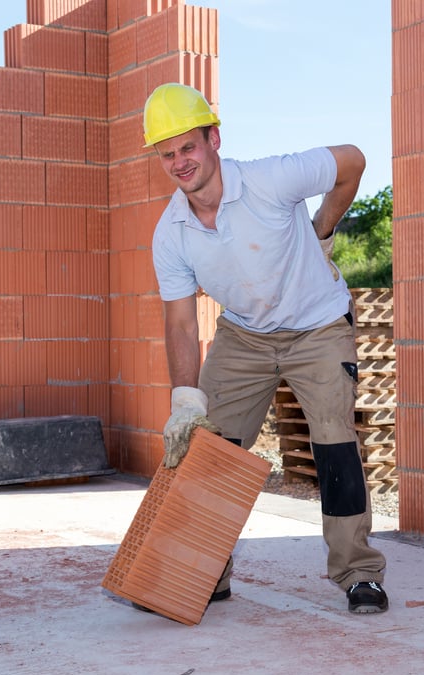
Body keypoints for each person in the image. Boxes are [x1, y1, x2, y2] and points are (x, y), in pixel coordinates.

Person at [142, 83, 389, 615]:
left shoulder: (270, 179)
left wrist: (324, 225)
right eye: (168, 154)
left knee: (333, 445)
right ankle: (208, 572)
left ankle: (358, 573)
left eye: (189, 147)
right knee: (208, 450)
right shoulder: (172, 234)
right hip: (245, 334)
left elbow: (353, 160)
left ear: (213, 139)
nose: (180, 162)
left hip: (317, 325)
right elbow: (182, 324)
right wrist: (186, 401)